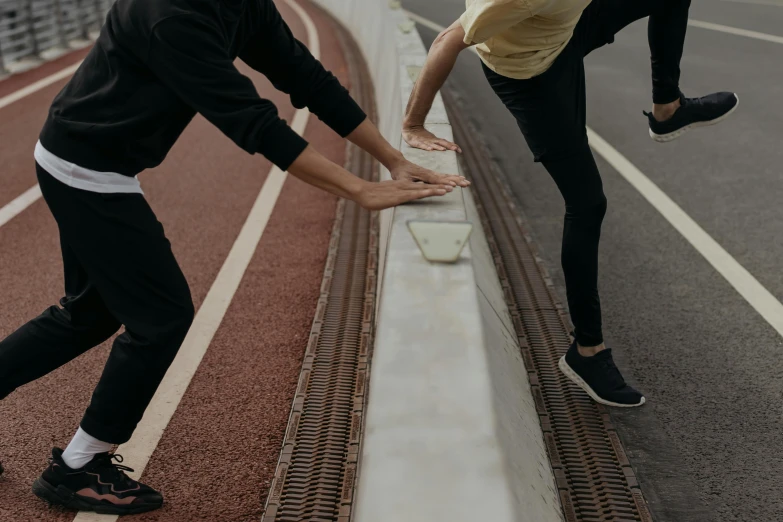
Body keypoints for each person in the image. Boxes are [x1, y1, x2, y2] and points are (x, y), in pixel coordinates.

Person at [0, 0, 469, 514]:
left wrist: (394, 161)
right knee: (161, 316)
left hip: (97, 157)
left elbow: (306, 78)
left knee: (89, 314)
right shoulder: (171, 17)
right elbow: (255, 124)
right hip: (86, 168)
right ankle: (77, 468)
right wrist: (359, 190)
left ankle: (78, 458)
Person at [403, 0, 737, 408]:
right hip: (531, 76)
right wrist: (413, 124)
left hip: (564, 28)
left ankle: (667, 108)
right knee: (587, 203)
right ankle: (587, 352)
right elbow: (448, 39)